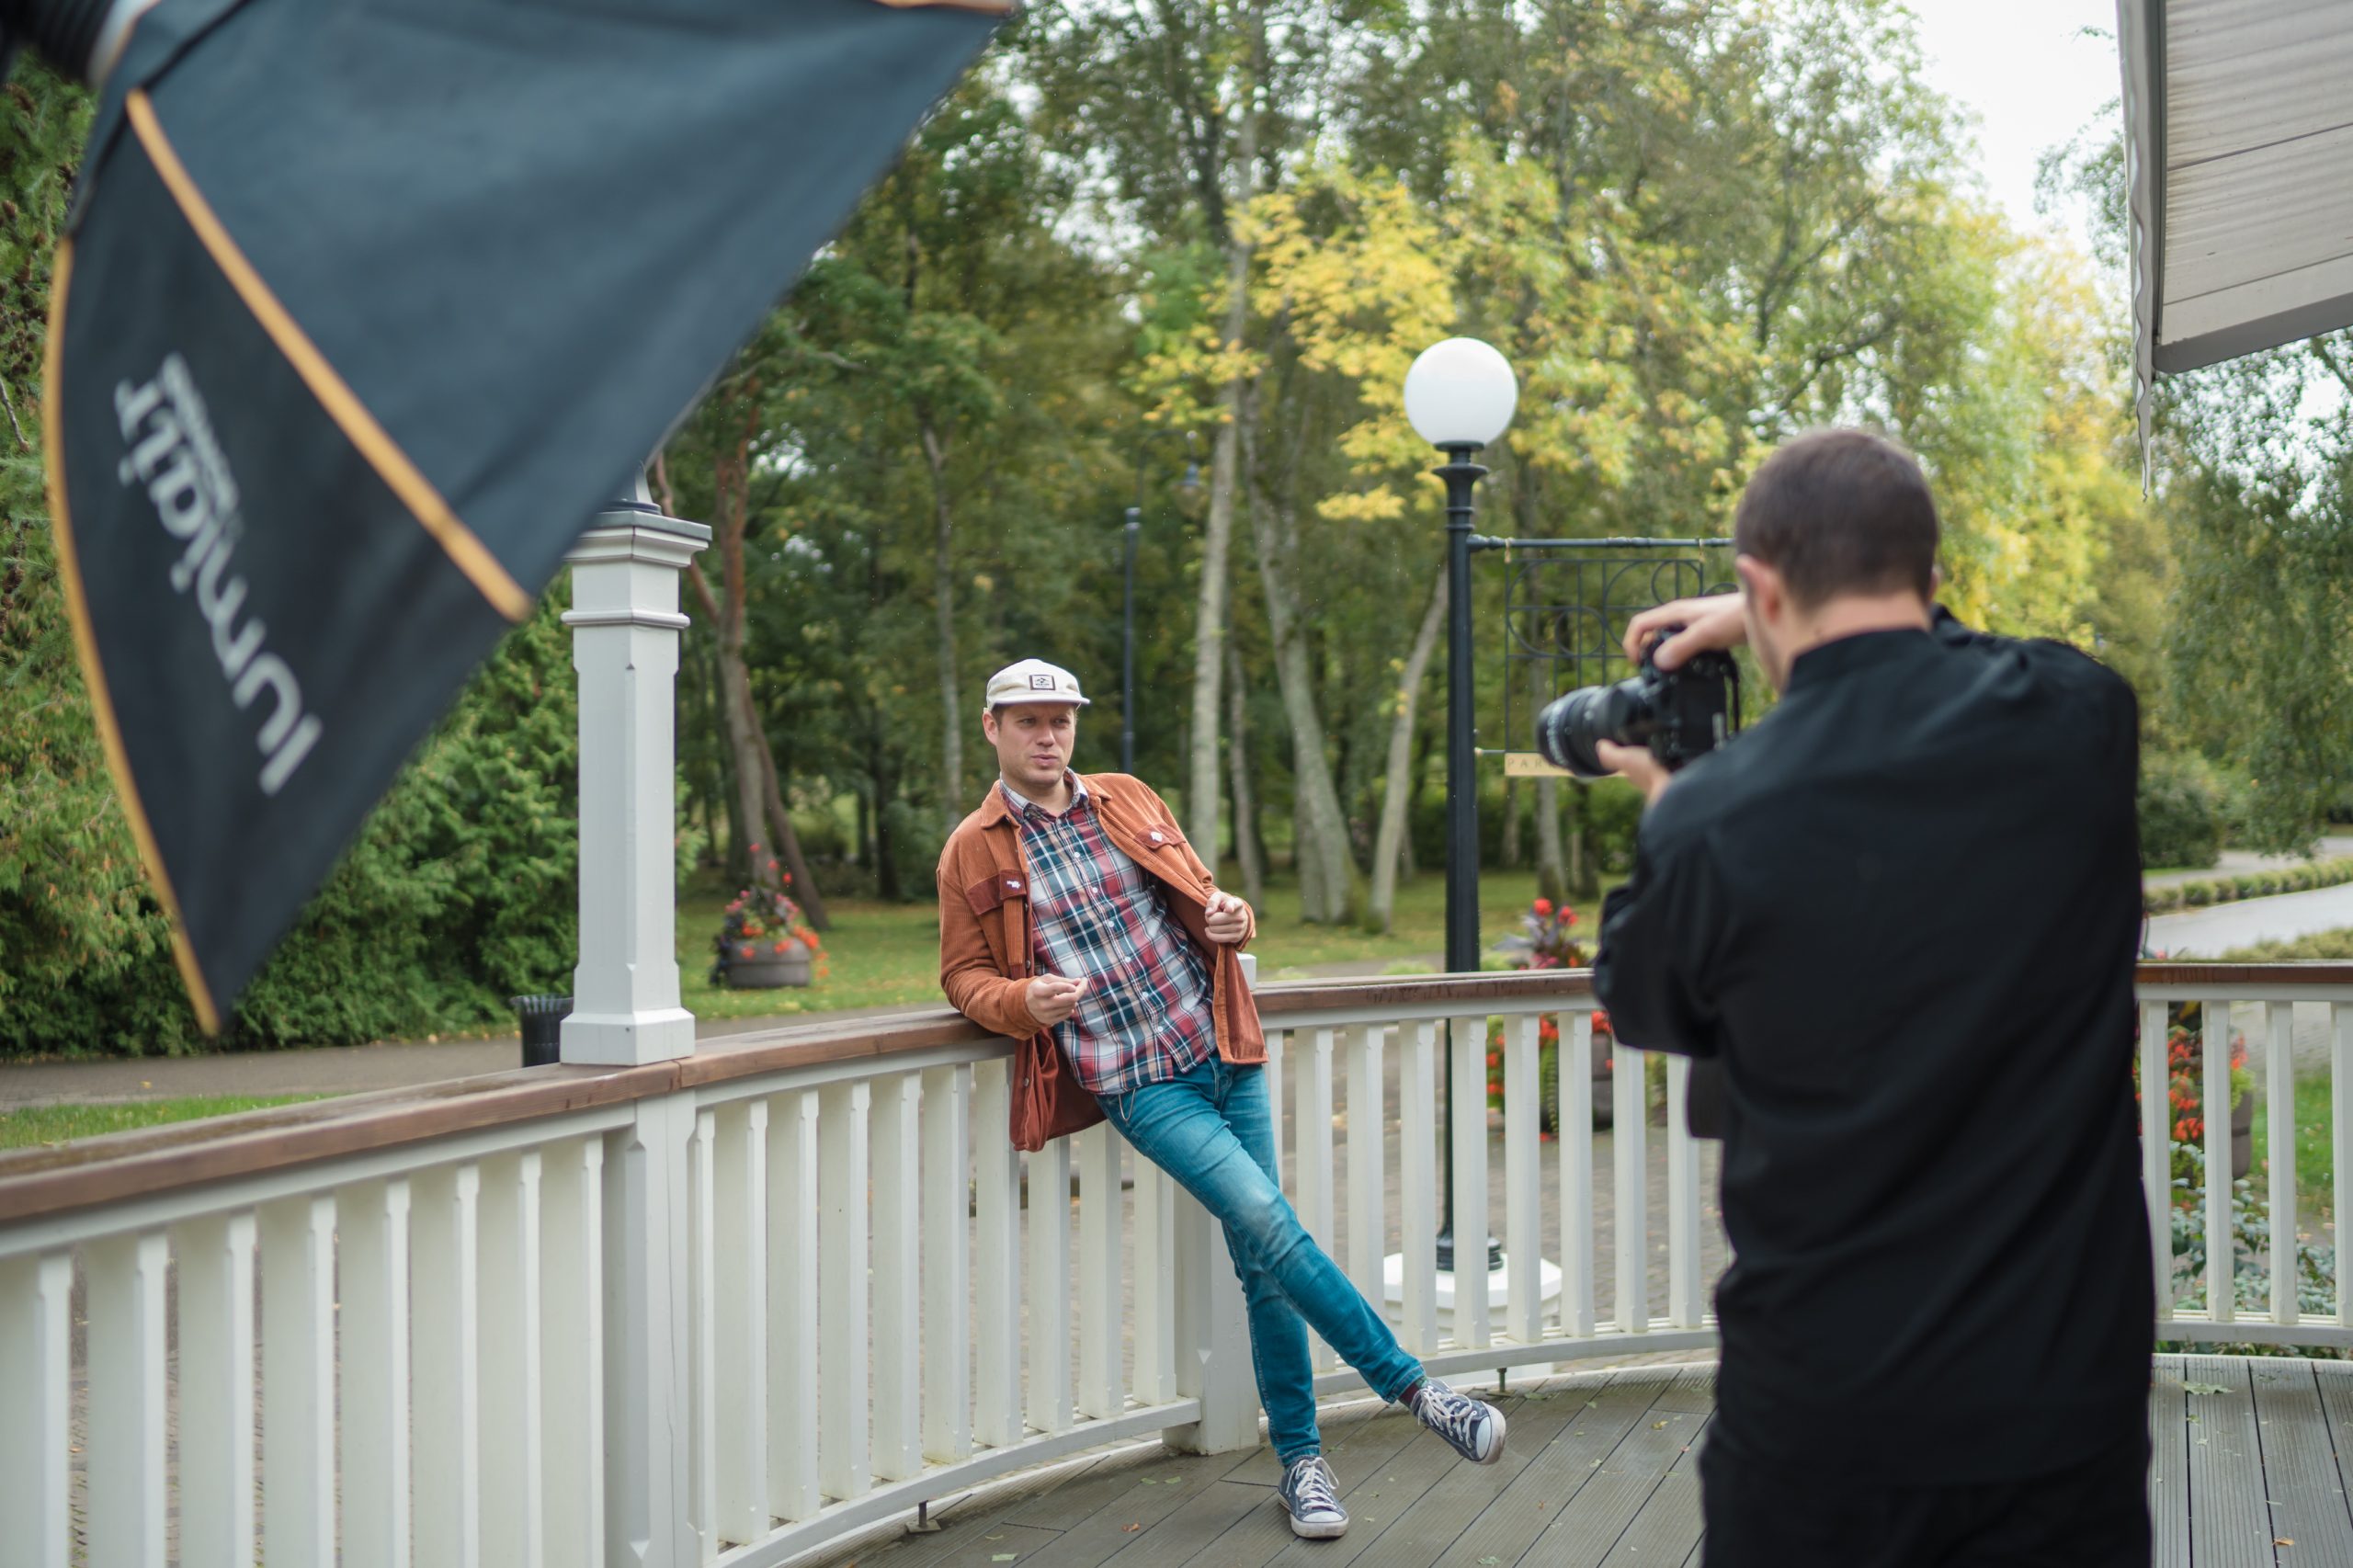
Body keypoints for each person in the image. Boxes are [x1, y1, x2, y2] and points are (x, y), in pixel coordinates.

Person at [1591, 430, 2153, 1567]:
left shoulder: (1711, 816)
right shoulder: (2079, 723)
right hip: (2058, 1414)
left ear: (1761, 586)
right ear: (1930, 577)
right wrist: (1784, 603)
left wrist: (1666, 811)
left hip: (1822, 1429)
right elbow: (2024, 658)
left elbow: (1645, 1002)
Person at [938, 657, 1506, 1540]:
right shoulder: (972, 848)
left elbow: (1205, 900)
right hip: (1138, 1081)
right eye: (1028, 723)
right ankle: (1418, 1392)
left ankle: (1302, 1466)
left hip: (1221, 1047)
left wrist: (1231, 917)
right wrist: (1021, 1001)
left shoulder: (1127, 797)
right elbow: (963, 975)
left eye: (1061, 721)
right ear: (993, 728)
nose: (1048, 737)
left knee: (1263, 1263)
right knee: (1269, 1220)